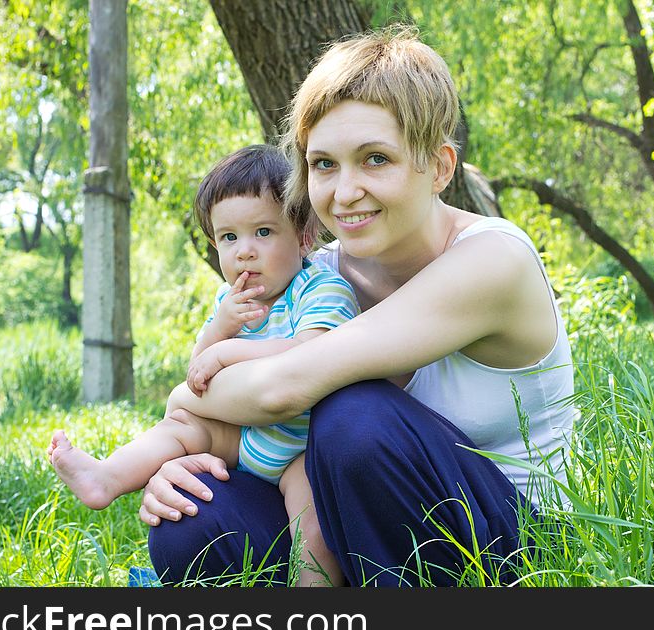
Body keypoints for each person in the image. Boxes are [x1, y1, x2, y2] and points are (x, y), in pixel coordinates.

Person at [141, 26, 576, 587]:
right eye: (324, 164)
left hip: (512, 537)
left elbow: (279, 390)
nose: (344, 192)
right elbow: (244, 400)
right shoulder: (316, 279)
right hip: (357, 520)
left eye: (375, 159)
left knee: (354, 417)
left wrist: (189, 398)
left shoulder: (493, 259)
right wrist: (184, 457)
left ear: (440, 167)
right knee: (194, 517)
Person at [47, 144, 360, 587]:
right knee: (182, 425)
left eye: (264, 232)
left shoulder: (321, 289)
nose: (244, 252)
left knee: (311, 523)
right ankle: (106, 477)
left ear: (305, 235)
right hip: (244, 436)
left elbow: (311, 352)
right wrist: (219, 329)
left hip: (303, 446)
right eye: (229, 238)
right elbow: (198, 378)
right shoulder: (228, 301)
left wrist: (227, 352)